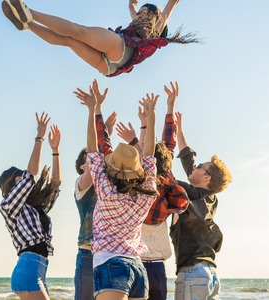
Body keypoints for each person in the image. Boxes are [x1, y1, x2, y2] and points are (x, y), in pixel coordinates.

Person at [77, 84, 158, 300]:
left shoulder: (106, 190)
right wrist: (151, 119)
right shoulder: (146, 192)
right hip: (137, 268)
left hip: (110, 263)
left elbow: (93, 149)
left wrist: (92, 110)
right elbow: (149, 154)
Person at [116, 82, 189, 300]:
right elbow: (165, 146)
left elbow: (150, 152)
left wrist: (140, 131)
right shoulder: (167, 183)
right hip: (155, 264)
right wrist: (167, 110)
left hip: (135, 260)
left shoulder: (137, 183)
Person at [1, 0, 199, 77]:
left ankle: (30, 12)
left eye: (143, 11)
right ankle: (27, 25)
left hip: (121, 48)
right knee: (69, 41)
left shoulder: (155, 28)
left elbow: (171, 4)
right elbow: (131, 8)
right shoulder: (136, 22)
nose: (138, 13)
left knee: (77, 31)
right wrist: (132, 4)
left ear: (153, 16)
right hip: (110, 67)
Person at [0, 112, 61, 300]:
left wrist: (55, 151)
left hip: (39, 269)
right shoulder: (8, 205)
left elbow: (55, 185)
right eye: (18, 178)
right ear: (10, 184)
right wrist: (39, 137)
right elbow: (30, 175)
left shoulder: (31, 208)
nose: (23, 181)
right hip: (28, 268)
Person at [170, 111, 232, 300]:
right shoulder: (209, 198)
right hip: (211, 275)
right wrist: (179, 130)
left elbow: (166, 176)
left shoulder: (188, 193)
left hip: (193, 274)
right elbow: (189, 162)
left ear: (206, 178)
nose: (195, 167)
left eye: (200, 167)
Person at [73, 80, 117, 300]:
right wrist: (95, 113)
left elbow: (102, 159)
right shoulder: (81, 185)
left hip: (108, 252)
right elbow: (95, 157)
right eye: (88, 161)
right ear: (82, 167)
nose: (94, 161)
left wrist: (105, 130)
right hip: (88, 253)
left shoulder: (105, 184)